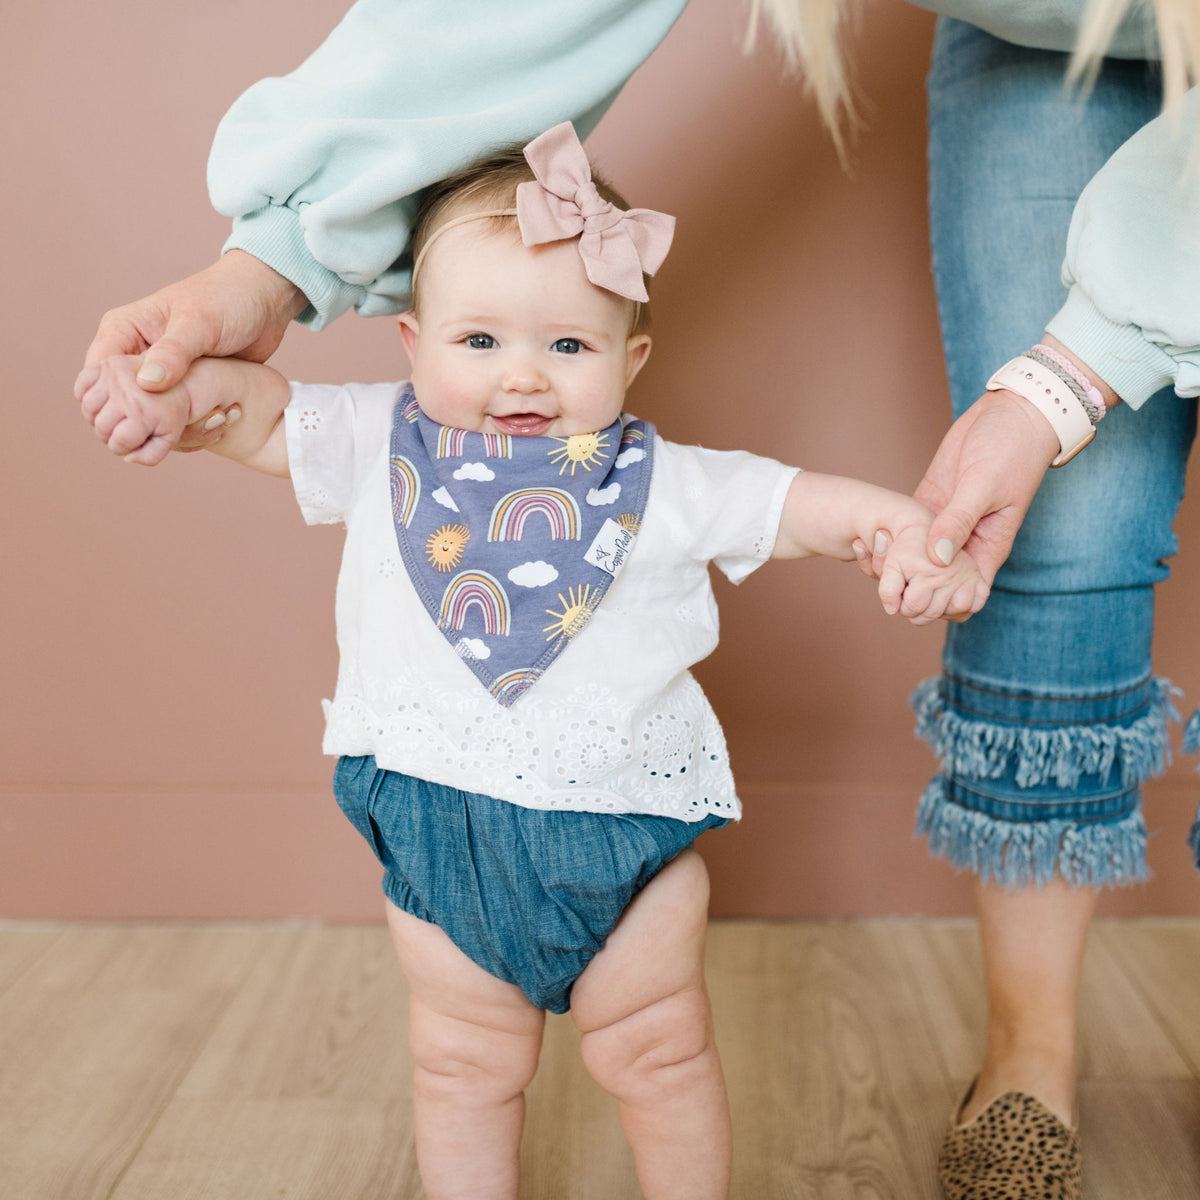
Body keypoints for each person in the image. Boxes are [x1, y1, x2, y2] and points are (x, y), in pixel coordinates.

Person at [75, 3, 1199, 1196]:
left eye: (569, 347)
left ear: (631, 363)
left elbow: (786, 505)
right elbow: (249, 415)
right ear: (409, 344)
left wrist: (892, 526)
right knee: (460, 1066)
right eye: (480, 340)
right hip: (439, 831)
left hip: (628, 848)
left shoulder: (656, 479)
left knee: (661, 1050)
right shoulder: (376, 441)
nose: (522, 375)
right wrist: (188, 369)